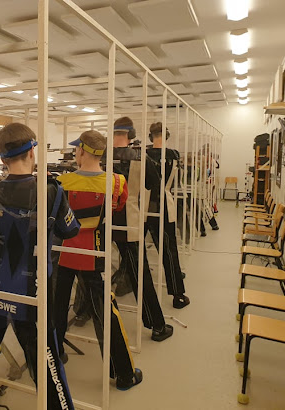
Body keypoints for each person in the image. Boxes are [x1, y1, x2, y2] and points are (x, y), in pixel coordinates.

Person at [0, 123, 80, 410]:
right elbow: (71, 230)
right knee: (47, 362)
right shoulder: (52, 191)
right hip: (34, 290)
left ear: (2, 158)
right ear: (32, 152)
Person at [54, 130, 143, 390]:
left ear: (81, 151)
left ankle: (55, 356)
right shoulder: (116, 182)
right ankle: (123, 374)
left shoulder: (61, 182)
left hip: (64, 252)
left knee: (57, 307)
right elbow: (117, 208)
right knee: (105, 313)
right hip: (95, 252)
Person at [110, 116, 173, 341]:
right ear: (132, 135)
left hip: (103, 221)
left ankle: (83, 312)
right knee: (140, 274)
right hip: (128, 220)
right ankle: (157, 325)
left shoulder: (102, 155)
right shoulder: (140, 157)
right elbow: (153, 184)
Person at [146, 122, 190, 309]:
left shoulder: (144, 154)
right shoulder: (174, 155)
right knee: (169, 250)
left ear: (151, 136)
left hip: (143, 204)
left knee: (136, 249)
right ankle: (178, 294)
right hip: (163, 203)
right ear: (166, 136)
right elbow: (177, 182)